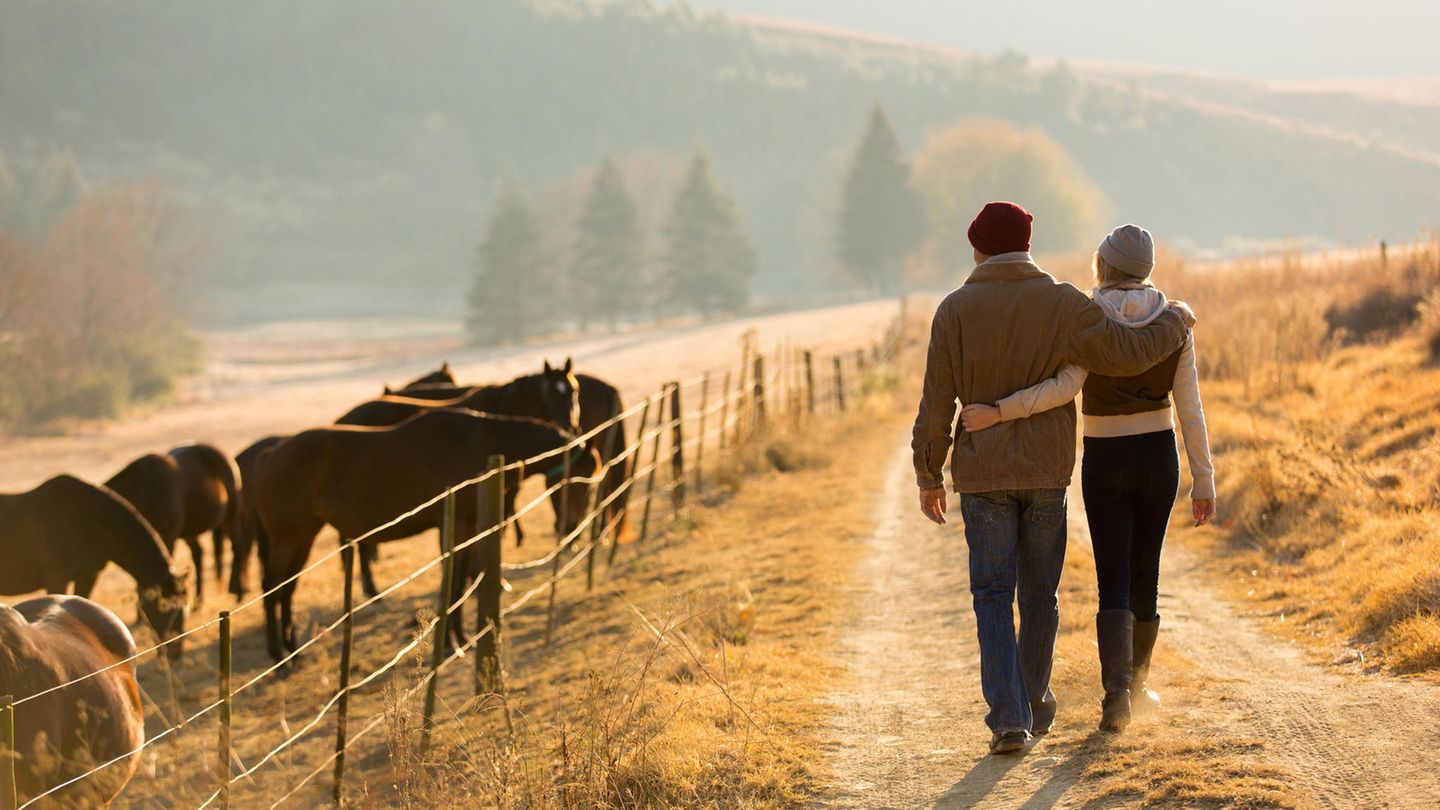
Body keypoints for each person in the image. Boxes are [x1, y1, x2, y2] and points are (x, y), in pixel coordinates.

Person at [911, 202, 1194, 755]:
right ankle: (1035, 700)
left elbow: (935, 400)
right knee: (1040, 593)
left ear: (976, 249)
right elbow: (1127, 353)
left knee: (992, 593)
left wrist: (929, 472)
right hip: (1047, 470)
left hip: (983, 473)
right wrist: (1174, 319)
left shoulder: (953, 310)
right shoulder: (1063, 302)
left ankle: (1011, 718)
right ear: (1028, 244)